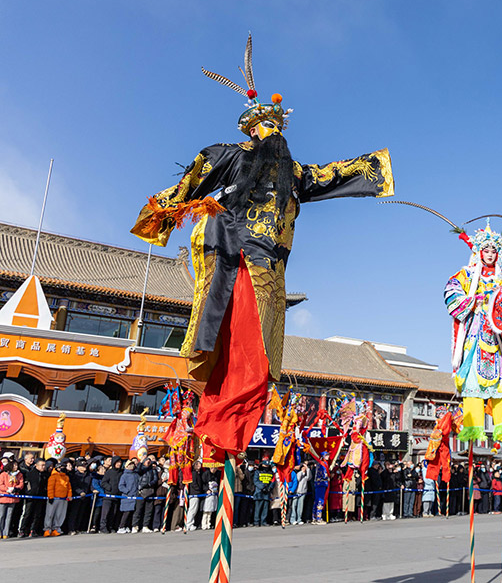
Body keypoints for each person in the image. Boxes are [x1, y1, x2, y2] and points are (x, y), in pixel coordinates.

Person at [130, 35, 394, 467]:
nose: (272, 133)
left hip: (269, 270)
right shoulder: (228, 156)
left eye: (277, 127)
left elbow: (334, 175)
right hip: (231, 261)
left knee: (257, 360)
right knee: (230, 345)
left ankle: (229, 433)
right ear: (252, 130)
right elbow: (190, 182)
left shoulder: (295, 173)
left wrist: (375, 170)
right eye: (264, 127)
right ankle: (217, 430)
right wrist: (160, 214)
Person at [444, 220, 502, 444]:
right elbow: (450, 291)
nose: (490, 254)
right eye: (486, 250)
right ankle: (473, 428)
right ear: (479, 252)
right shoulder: (467, 274)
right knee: (472, 381)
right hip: (476, 332)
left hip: (497, 335)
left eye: (493, 250)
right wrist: (472, 300)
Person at [20, 458, 48, 537]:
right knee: (27, 514)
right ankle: (22, 530)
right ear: (36, 465)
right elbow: (27, 484)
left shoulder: (45, 475)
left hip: (40, 497)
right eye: (42, 465)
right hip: (30, 497)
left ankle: (33, 530)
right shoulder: (31, 473)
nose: (43, 467)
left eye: (44, 465)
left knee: (37, 515)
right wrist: (29, 492)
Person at [45, 460, 72, 536]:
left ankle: (56, 528)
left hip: (63, 499)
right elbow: (50, 487)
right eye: (61, 467)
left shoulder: (66, 477)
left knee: (60, 514)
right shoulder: (53, 477)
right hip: (54, 498)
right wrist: (50, 497)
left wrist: (69, 495)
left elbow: (69, 488)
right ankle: (47, 529)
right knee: (50, 514)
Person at [0, 460, 24, 538]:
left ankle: (5, 533)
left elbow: (21, 484)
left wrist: (15, 489)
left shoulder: (19, 474)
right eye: (14, 465)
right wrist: (7, 489)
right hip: (4, 497)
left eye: (16, 465)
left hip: (13, 498)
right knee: (1, 516)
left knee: (9, 516)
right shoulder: (3, 474)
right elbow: (0, 484)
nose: (16, 467)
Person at [99, 456, 123, 533]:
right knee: (105, 513)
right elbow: (103, 482)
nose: (119, 464)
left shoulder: (121, 472)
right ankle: (103, 527)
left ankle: (110, 526)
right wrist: (109, 488)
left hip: (117, 496)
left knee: (114, 513)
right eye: (117, 462)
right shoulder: (109, 472)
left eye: (120, 462)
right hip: (108, 496)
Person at [117, 460, 141, 534]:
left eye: (132, 464)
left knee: (132, 513)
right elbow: (121, 486)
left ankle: (127, 526)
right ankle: (121, 527)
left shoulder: (136, 475)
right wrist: (127, 491)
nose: (132, 466)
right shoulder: (124, 475)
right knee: (126, 512)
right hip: (127, 496)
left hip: (135, 496)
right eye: (130, 464)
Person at [252, 460, 274, 527]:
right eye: (265, 465)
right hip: (259, 492)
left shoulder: (271, 472)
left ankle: (263, 521)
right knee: (258, 508)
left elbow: (273, 481)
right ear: (262, 465)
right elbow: (255, 481)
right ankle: (256, 522)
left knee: (265, 508)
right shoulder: (258, 472)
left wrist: (270, 488)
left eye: (267, 465)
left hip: (267, 492)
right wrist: (262, 487)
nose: (266, 466)